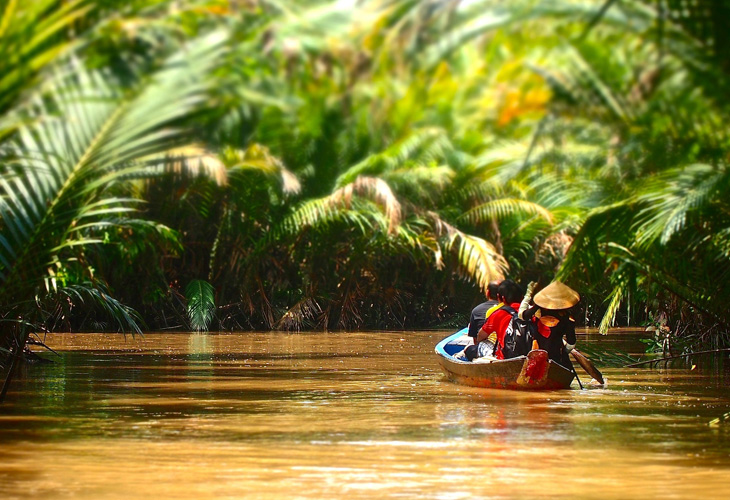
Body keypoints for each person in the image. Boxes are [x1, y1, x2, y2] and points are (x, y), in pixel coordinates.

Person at [518, 281, 579, 367]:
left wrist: (528, 294)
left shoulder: (536, 311)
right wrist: (564, 352)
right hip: (556, 358)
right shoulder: (568, 318)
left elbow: (521, 315)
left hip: (535, 357)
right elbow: (571, 344)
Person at [477, 279, 524, 360]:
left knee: (481, 344)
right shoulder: (531, 313)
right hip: (527, 354)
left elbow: (480, 337)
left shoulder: (498, 314)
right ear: (522, 297)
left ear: (501, 298)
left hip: (505, 357)